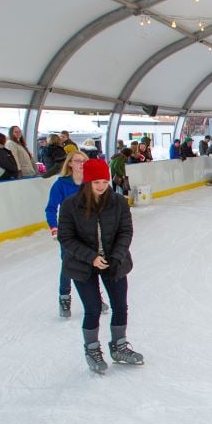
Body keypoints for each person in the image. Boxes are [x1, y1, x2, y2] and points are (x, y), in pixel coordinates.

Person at [57, 158, 141, 373]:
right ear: (87, 182)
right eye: (96, 183)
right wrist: (91, 257)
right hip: (82, 264)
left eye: (105, 181)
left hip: (114, 262)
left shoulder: (118, 202)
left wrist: (117, 256)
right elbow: (66, 238)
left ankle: (119, 346)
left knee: (120, 305)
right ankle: (92, 349)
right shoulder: (70, 206)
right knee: (93, 309)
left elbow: (125, 231)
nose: (102, 186)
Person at [45, 150, 89, 319]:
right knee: (68, 265)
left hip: (88, 230)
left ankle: (94, 298)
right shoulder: (61, 185)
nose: (81, 164)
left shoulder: (90, 182)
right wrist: (54, 228)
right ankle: (64, 298)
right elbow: (50, 208)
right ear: (70, 163)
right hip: (68, 231)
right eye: (78, 161)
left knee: (91, 263)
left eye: (84, 161)